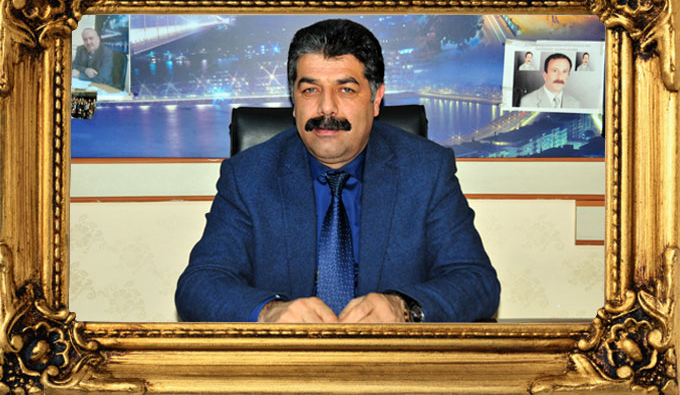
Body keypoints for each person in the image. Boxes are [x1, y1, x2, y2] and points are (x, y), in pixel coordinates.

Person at [175, 19, 500, 323]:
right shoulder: (248, 176)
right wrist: (269, 313)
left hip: (390, 361)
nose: (326, 107)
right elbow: (200, 285)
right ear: (293, 100)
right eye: (310, 90)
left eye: (346, 89)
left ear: (376, 99)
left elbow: (476, 282)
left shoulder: (426, 170)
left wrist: (403, 308)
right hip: (288, 360)